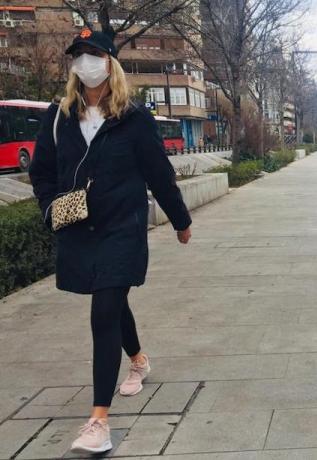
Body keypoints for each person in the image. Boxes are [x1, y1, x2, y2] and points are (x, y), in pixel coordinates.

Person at [28, 29, 192, 454]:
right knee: (111, 300)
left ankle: (98, 421)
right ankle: (137, 358)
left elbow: (159, 173)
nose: (86, 62)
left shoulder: (133, 118)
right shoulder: (59, 115)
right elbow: (42, 171)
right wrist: (49, 208)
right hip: (79, 228)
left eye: (93, 53)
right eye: (78, 55)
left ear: (110, 61)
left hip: (123, 226)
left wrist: (180, 220)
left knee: (104, 308)